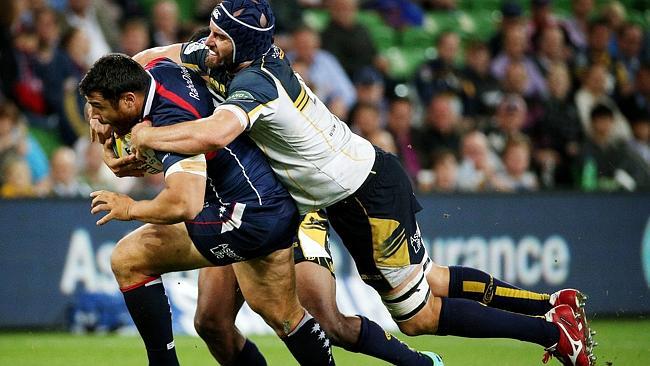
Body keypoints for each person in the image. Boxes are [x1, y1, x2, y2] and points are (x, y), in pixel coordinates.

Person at [126, 1, 596, 365]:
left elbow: (214, 132)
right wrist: (108, 93)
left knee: (418, 317)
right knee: (427, 277)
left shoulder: (258, 83)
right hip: (333, 190)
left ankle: (553, 332)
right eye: (210, 29)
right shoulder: (229, 52)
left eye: (218, 36)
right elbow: (152, 58)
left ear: (244, 45)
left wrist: (145, 134)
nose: (206, 42)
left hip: (363, 196)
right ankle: (554, 305)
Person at [104, 28, 443, 366]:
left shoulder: (232, 96)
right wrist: (102, 120)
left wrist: (136, 190)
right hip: (236, 204)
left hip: (288, 202)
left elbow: (189, 171)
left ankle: (420, 363)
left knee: (324, 319)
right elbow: (141, 63)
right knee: (211, 322)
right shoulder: (190, 89)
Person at [79, 53, 335, 366]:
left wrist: (130, 207)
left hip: (243, 215)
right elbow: (129, 66)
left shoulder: (170, 123)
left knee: (128, 259)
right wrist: (97, 115)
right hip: (267, 201)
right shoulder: (162, 70)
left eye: (101, 108)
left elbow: (185, 203)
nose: (99, 118)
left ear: (129, 101)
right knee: (280, 316)